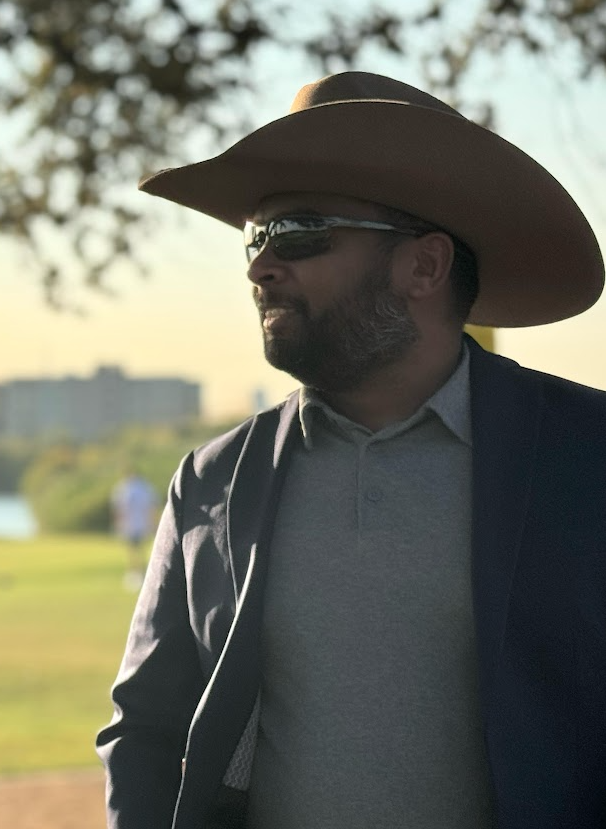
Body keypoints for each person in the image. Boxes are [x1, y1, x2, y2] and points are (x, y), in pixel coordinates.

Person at [95, 71, 606, 829]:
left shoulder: (587, 458)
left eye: (299, 231)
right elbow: (146, 729)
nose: (260, 266)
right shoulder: (211, 483)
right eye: (255, 237)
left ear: (424, 266)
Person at [111, 466, 158, 586]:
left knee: (134, 550)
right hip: (137, 524)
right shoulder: (143, 487)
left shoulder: (124, 488)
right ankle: (137, 573)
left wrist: (118, 524)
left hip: (134, 524)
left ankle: (137, 573)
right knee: (136, 550)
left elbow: (118, 509)